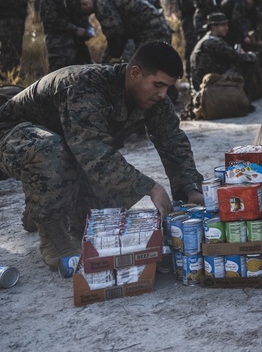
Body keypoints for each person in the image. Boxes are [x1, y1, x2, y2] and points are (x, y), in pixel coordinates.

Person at [0, 41, 204, 270]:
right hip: (13, 134)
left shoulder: (155, 97)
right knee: (50, 150)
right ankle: (52, 234)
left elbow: (173, 141)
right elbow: (94, 153)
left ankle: (44, 202)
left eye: (168, 87)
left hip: (68, 148)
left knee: (99, 221)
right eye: (158, 85)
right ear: (135, 73)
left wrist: (190, 188)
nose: (162, 94)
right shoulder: (85, 86)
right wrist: (150, 186)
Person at [66, 0, 171, 63]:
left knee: (147, 69)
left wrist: (107, 61)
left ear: (84, 4)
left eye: (82, 12)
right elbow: (120, 34)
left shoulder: (102, 4)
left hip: (152, 32)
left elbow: (115, 35)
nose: (85, 15)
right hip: (155, 29)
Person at [38, 0, 92, 71]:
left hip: (77, 45)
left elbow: (81, 15)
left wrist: (87, 29)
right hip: (59, 45)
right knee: (58, 80)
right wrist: (75, 29)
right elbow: (49, 18)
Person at [189, 13, 258, 91]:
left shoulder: (207, 39)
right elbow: (237, 57)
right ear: (213, 27)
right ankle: (242, 94)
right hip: (209, 85)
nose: (227, 28)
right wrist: (252, 55)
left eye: (227, 25)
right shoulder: (213, 42)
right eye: (223, 25)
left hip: (203, 84)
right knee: (248, 62)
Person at [0, 0, 29, 74]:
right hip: (7, 24)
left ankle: (13, 74)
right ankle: (6, 76)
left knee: (16, 51)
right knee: (8, 50)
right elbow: (6, 3)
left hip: (16, 24)